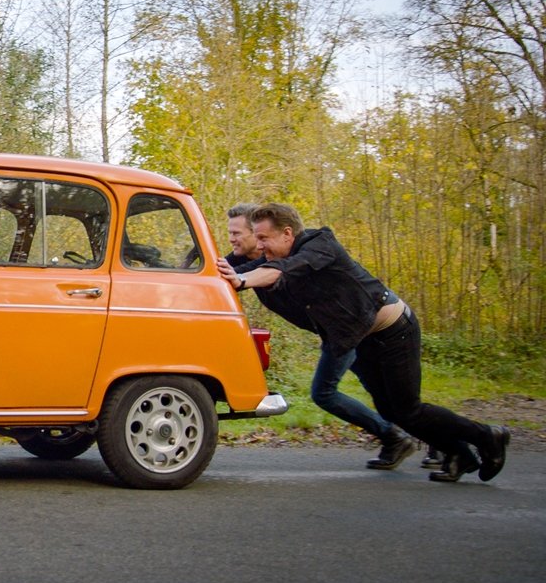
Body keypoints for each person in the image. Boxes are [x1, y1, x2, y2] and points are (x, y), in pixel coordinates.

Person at [218, 203, 509, 483]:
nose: (260, 245)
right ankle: (460, 454)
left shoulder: (320, 244)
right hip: (360, 338)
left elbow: (284, 268)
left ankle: (487, 436)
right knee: (390, 411)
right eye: (256, 238)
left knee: (408, 409)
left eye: (264, 238)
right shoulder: (270, 259)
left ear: (287, 234)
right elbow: (242, 268)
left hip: (394, 330)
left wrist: (242, 280)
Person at [226, 203, 411, 470]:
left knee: (326, 393)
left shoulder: (306, 249)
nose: (231, 239)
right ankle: (424, 441)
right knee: (383, 395)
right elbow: (213, 268)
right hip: (337, 333)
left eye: (237, 233)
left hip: (354, 326)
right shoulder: (249, 261)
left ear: (258, 234)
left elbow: (283, 270)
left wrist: (244, 279)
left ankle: (397, 435)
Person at [224, 203, 264, 268]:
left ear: (256, 233)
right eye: (230, 233)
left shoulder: (280, 260)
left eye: (236, 233)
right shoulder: (232, 260)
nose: (231, 239)